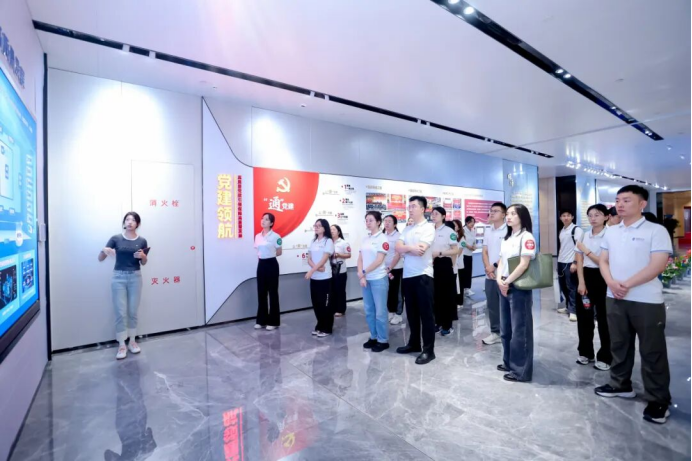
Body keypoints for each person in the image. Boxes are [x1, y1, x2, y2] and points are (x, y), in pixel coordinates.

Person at [594, 185, 673, 425]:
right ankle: (620, 384)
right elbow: (603, 260)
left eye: (626, 200)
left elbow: (658, 264)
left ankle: (658, 399)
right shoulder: (611, 232)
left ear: (642, 204)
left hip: (646, 300)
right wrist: (611, 283)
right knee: (619, 344)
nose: (620, 204)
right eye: (618, 200)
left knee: (652, 350)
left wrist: (626, 284)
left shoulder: (656, 230)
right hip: (615, 297)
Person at [99, 212, 149, 360]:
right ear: (124, 222)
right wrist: (104, 251)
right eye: (127, 219)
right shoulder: (116, 238)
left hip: (135, 277)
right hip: (118, 277)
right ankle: (122, 344)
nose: (130, 222)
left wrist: (143, 257)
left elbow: (144, 262)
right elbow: (100, 258)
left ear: (137, 224)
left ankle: (132, 341)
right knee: (120, 312)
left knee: (133, 311)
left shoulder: (142, 241)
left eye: (133, 220)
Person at [496, 204, 536, 382]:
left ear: (522, 216)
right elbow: (501, 261)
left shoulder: (527, 237)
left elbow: (524, 264)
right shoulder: (507, 238)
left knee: (520, 330)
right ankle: (509, 362)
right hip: (504, 284)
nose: (509, 216)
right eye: (508, 213)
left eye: (513, 214)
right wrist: (499, 279)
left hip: (518, 287)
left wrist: (507, 281)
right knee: (506, 329)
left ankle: (521, 371)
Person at [396, 196, 436, 365]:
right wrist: (410, 248)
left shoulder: (428, 228)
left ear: (422, 209)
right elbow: (397, 248)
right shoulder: (407, 229)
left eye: (413, 206)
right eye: (409, 206)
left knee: (426, 315)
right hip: (408, 276)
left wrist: (406, 248)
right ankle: (414, 343)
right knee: (411, 313)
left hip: (423, 275)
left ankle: (429, 350)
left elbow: (421, 250)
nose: (410, 209)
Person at [574, 204, 611, 370]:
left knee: (604, 318)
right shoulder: (584, 234)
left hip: (605, 277)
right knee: (584, 317)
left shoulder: (610, 235)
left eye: (597, 215)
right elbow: (579, 259)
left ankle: (605, 356)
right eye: (590, 215)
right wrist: (581, 282)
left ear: (606, 217)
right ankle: (585, 352)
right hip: (586, 275)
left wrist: (587, 251)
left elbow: (605, 262)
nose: (593, 218)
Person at [358, 211, 390, 352]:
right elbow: (360, 259)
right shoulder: (365, 239)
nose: (368, 222)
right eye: (366, 220)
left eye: (371, 220)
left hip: (378, 279)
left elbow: (379, 260)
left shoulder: (382, 238)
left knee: (380, 312)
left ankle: (383, 340)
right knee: (369, 310)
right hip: (366, 280)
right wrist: (362, 276)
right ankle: (374, 336)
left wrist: (364, 272)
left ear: (378, 222)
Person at [481, 202, 507, 346]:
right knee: (492, 306)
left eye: (496, 211)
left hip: (504, 276)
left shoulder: (508, 230)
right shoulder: (488, 230)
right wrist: (488, 268)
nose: (492, 213)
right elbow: (484, 251)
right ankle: (495, 332)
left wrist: (494, 266)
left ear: (503, 214)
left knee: (506, 306)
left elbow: (507, 254)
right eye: (491, 210)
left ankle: (508, 332)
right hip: (490, 276)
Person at [430, 208, 459, 336]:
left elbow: (455, 250)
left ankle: (447, 325)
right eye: (432, 214)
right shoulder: (429, 231)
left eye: (436, 214)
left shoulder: (449, 231)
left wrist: (440, 253)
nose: (433, 216)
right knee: (435, 295)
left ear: (443, 216)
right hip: (431, 265)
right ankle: (438, 322)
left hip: (444, 263)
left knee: (446, 295)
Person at [305, 219, 335, 337]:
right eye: (315, 225)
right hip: (315, 277)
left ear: (324, 228)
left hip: (325, 278)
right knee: (316, 303)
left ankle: (327, 328)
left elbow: (324, 259)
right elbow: (309, 259)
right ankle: (320, 326)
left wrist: (312, 270)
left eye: (319, 225)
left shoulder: (328, 241)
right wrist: (316, 269)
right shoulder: (313, 241)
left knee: (325, 304)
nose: (316, 227)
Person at [254, 213, 283, 331]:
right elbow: (258, 250)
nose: (263, 221)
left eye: (266, 219)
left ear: (271, 223)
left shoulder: (276, 236)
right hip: (261, 264)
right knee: (261, 292)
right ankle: (261, 320)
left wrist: (270, 254)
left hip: (271, 264)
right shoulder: (257, 236)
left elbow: (279, 252)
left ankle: (274, 322)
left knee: (272, 293)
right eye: (262, 218)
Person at [557, 210, 583, 322]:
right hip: (561, 261)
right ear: (560, 218)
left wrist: (575, 262)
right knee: (563, 286)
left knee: (572, 287)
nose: (566, 217)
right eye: (563, 216)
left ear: (572, 217)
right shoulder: (562, 230)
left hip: (570, 262)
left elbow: (579, 247)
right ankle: (568, 306)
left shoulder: (576, 230)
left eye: (568, 215)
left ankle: (573, 311)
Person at [383, 215, 404, 325]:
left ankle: (398, 314)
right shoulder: (382, 236)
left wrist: (390, 267)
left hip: (396, 268)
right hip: (384, 268)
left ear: (395, 224)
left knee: (397, 292)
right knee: (388, 291)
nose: (386, 223)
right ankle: (391, 311)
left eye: (389, 221)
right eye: (385, 221)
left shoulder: (398, 237)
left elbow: (398, 254)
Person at [330, 225, 351, 317]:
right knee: (332, 290)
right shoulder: (328, 242)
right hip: (330, 271)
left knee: (340, 291)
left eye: (333, 229)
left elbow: (348, 255)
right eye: (330, 229)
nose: (331, 231)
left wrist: (338, 255)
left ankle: (341, 309)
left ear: (338, 232)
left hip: (340, 271)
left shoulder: (343, 243)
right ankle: (333, 308)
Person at [460, 216, 477, 297]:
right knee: (463, 272)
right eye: (471, 222)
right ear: (467, 222)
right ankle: (462, 289)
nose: (473, 224)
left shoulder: (473, 230)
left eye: (474, 222)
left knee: (469, 272)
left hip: (470, 254)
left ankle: (467, 288)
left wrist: (474, 246)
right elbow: (462, 242)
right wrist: (469, 247)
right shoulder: (463, 230)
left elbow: (474, 241)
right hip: (463, 254)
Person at [452, 219, 465, 307]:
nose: (453, 227)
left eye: (455, 225)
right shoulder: (451, 236)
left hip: (459, 265)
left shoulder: (462, 238)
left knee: (460, 284)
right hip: (453, 265)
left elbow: (459, 252)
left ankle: (460, 302)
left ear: (459, 227)